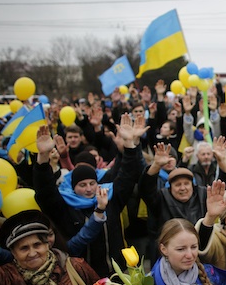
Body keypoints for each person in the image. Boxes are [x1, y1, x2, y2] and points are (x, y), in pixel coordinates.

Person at [33, 114, 146, 276]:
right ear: (73, 187)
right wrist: (43, 157)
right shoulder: (65, 206)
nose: (88, 189)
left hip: (116, 274)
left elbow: (128, 175)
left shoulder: (109, 198)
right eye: (82, 185)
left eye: (92, 184)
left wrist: (129, 144)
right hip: (82, 276)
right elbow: (44, 191)